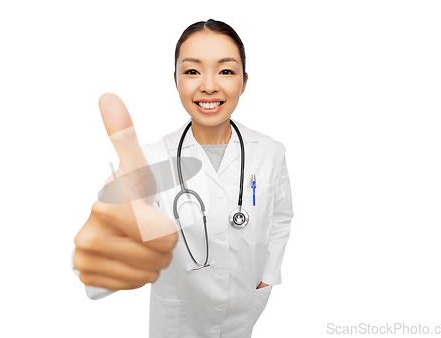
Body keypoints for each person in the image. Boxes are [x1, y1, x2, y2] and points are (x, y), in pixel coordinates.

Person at [71, 19, 294, 338]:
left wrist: (268, 274)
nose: (208, 85)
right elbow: (115, 233)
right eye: (192, 71)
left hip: (243, 314)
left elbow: (281, 218)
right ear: (175, 80)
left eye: (226, 71)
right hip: (178, 323)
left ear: (244, 83)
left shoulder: (271, 151)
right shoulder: (148, 160)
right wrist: (101, 259)